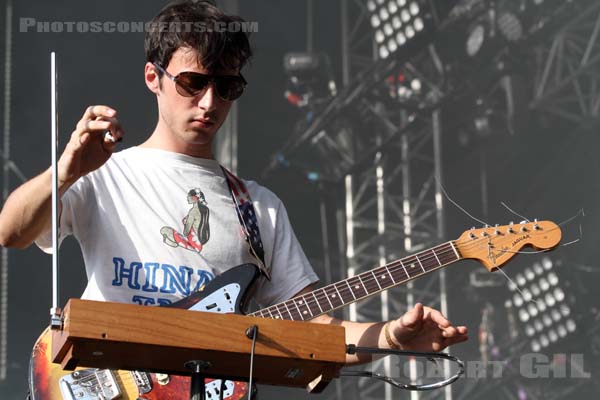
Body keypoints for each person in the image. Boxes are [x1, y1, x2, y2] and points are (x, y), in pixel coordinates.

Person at [0, 0, 467, 367]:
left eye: (226, 87)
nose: (209, 102)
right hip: (107, 380)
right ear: (153, 77)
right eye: (192, 82)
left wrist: (389, 337)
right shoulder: (105, 175)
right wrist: (64, 171)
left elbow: (313, 330)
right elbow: (10, 231)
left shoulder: (259, 207)